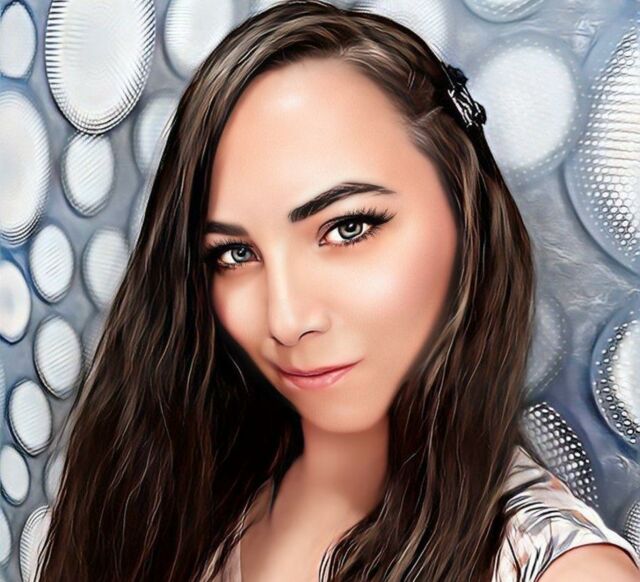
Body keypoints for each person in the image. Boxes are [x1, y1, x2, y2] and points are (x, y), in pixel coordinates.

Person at [34, 1, 640, 581]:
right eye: (235, 254)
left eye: (348, 228)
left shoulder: (562, 570)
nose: (286, 319)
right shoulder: (173, 493)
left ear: (465, 214)